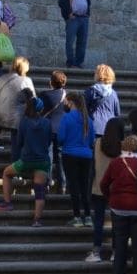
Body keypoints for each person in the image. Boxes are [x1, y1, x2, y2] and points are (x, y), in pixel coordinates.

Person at [0, 95, 55, 226]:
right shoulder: (47, 123)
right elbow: (50, 141)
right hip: (42, 161)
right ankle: (37, 220)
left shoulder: (24, 122)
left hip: (26, 159)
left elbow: (19, 142)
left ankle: (8, 202)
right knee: (40, 192)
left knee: (6, 173)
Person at [84, 64, 121, 263]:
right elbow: (117, 114)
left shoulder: (90, 91)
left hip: (95, 134)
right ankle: (116, 251)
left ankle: (97, 250)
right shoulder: (113, 94)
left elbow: (86, 112)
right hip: (112, 135)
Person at [100, 134, 137, 274]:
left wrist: (110, 197)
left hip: (118, 206)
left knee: (120, 242)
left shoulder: (115, 163)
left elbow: (104, 183)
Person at [0, 57, 36, 164]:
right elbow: (32, 98)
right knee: (16, 140)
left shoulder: (2, 78)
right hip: (17, 116)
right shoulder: (27, 81)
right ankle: (15, 164)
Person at [57, 91, 92, 226]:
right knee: (85, 186)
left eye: (66, 101)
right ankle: (88, 216)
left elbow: (60, 138)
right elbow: (92, 139)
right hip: (86, 155)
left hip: (70, 154)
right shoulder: (88, 119)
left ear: (71, 102)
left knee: (74, 185)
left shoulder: (67, 118)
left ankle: (77, 216)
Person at [57, 0, 91, 68]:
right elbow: (62, 2)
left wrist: (88, 13)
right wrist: (68, 14)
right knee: (70, 41)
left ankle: (78, 62)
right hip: (73, 18)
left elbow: (88, 2)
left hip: (84, 18)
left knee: (82, 41)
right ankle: (70, 62)